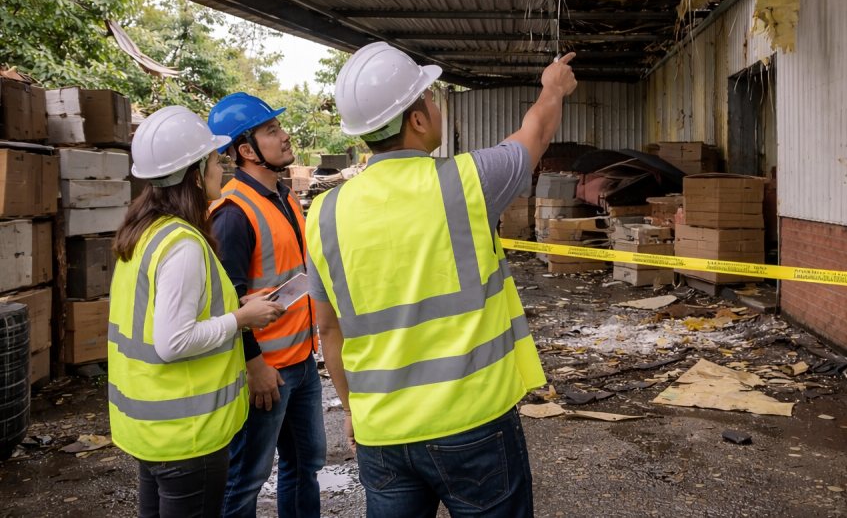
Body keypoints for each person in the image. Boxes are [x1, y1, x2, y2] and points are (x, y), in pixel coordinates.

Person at [306, 42, 577, 517]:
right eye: (430, 98)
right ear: (416, 119)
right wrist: (552, 86)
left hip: (381, 433)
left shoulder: (324, 213)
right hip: (473, 424)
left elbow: (328, 330)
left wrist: (351, 411)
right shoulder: (468, 180)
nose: (436, 106)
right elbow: (536, 130)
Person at [108, 106, 285, 518]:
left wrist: (231, 307)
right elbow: (173, 342)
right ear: (192, 175)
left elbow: (161, 318)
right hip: (187, 436)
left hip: (151, 431)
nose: (220, 170)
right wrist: (241, 320)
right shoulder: (182, 244)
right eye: (214, 162)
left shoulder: (144, 232)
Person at [206, 93, 326, 518]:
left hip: (301, 363)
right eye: (271, 130)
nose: (284, 135)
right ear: (246, 150)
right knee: (245, 480)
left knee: (305, 465)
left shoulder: (284, 196)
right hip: (263, 373)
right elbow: (226, 305)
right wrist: (254, 365)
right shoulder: (233, 212)